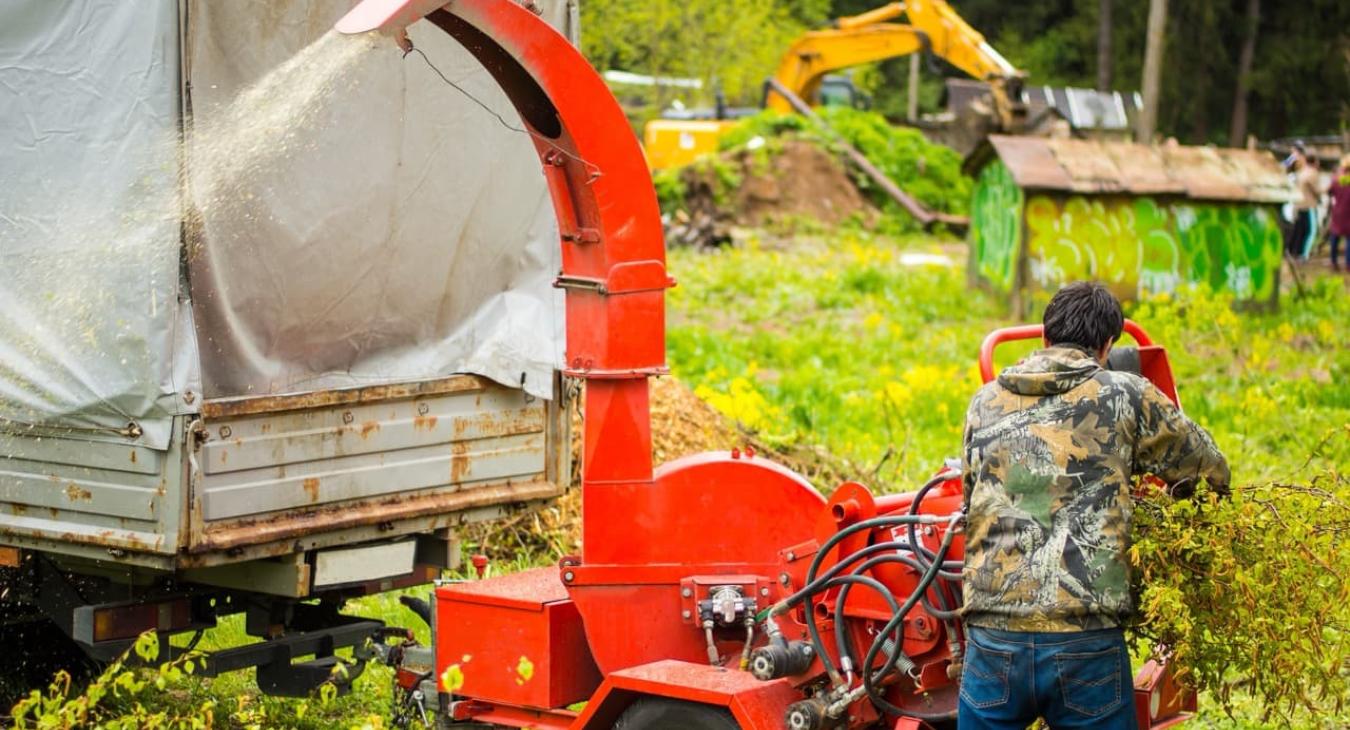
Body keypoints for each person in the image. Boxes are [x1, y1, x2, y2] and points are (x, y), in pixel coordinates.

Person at [957, 281, 1230, 730]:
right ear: (1107, 345)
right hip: (1084, 638)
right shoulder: (1125, 393)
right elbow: (1210, 470)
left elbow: (972, 500)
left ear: (1044, 338)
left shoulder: (983, 401)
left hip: (994, 636)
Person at [1285, 144, 1322, 260]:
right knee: (1311, 231)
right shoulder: (1312, 173)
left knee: (1299, 230)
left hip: (1299, 205)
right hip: (1309, 205)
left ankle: (1293, 252)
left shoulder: (1301, 172)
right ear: (1315, 161)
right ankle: (1304, 255)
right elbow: (1317, 191)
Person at [1328, 155, 1350, 272]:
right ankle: (1348, 264)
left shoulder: (1336, 180)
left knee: (1335, 237)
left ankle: (1333, 261)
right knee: (1349, 239)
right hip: (1348, 211)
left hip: (1338, 210)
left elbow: (1329, 191)